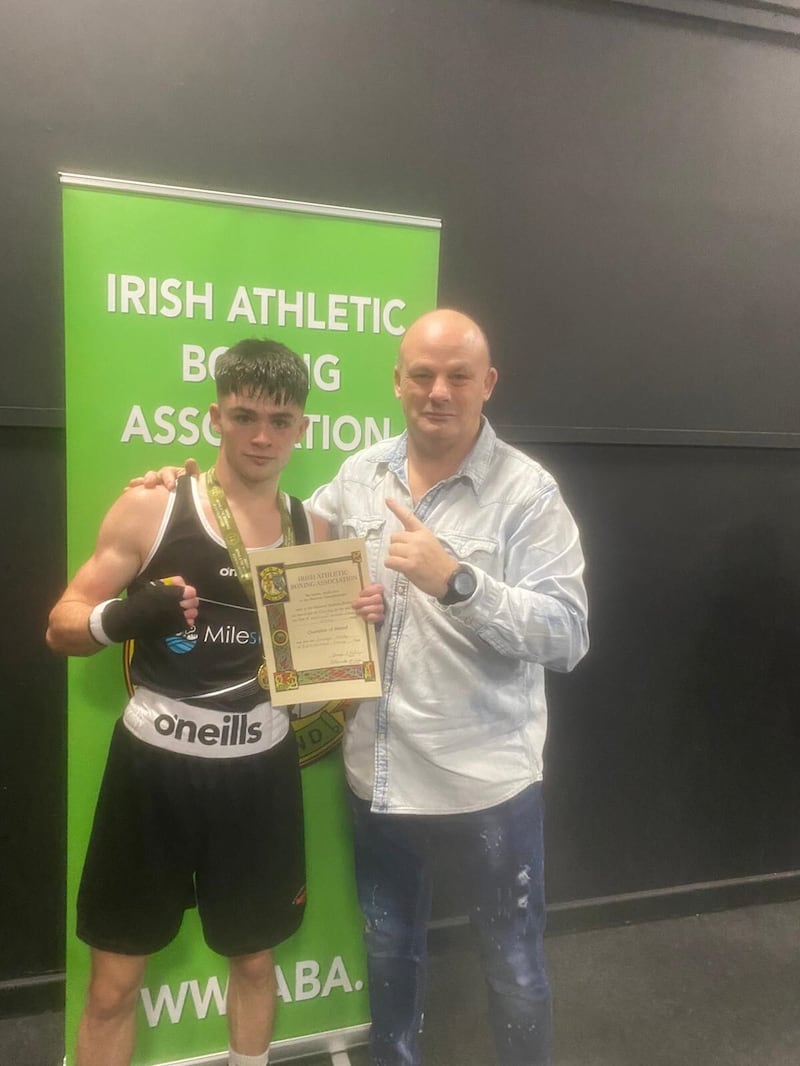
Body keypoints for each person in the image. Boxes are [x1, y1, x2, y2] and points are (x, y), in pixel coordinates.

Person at [138, 309, 589, 1066]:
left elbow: (569, 635)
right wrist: (180, 487)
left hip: (487, 784)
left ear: (489, 384)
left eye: (457, 376)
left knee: (512, 970)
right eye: (421, 374)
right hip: (378, 776)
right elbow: (271, 524)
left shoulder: (528, 495)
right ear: (398, 381)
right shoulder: (359, 475)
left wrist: (460, 582)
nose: (437, 391)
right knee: (390, 959)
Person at [47, 338, 381, 1066]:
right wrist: (120, 618)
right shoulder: (153, 507)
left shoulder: (315, 533)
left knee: (255, 963)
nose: (262, 435)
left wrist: (353, 632)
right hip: (153, 773)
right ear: (216, 416)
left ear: (302, 428)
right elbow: (62, 625)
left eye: (281, 420)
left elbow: (331, 673)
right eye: (245, 415)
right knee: (112, 985)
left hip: (257, 773)